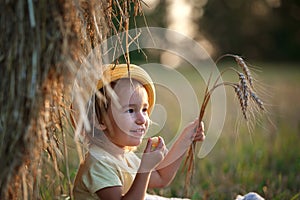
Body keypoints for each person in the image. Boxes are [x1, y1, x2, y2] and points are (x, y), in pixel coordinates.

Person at [72, 63, 205, 200]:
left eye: (144, 109)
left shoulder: (123, 155)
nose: (142, 119)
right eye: (130, 110)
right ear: (99, 120)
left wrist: (185, 139)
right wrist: (145, 168)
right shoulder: (99, 163)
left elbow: (161, 178)